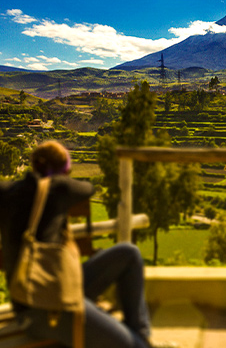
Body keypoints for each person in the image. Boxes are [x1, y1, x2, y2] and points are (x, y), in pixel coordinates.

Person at [0, 140, 158, 348]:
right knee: (133, 345)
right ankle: (140, 343)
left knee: (128, 254)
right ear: (63, 170)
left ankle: (140, 335)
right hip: (45, 310)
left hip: (54, 287)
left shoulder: (7, 192)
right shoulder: (60, 188)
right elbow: (87, 189)